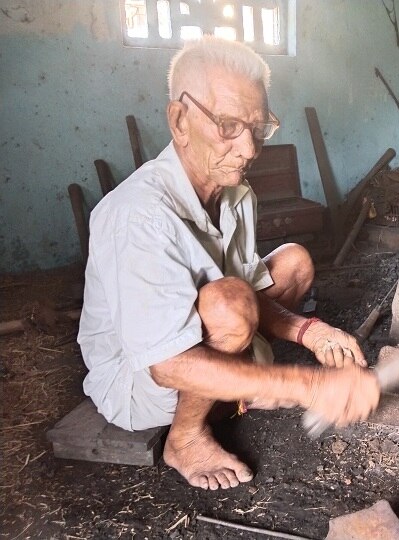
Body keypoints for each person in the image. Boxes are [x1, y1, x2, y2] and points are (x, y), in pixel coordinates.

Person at [77, 36, 381, 491]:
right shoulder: (136, 214)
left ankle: (236, 383)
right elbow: (167, 365)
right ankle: (185, 437)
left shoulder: (236, 193)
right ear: (179, 120)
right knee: (229, 303)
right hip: (138, 378)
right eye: (228, 125)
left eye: (259, 129)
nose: (249, 149)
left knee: (292, 262)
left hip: (207, 337)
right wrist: (308, 387)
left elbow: (251, 291)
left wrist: (309, 332)